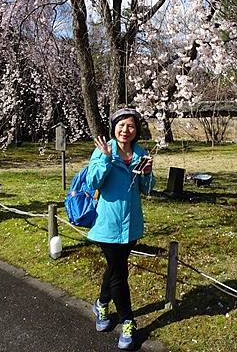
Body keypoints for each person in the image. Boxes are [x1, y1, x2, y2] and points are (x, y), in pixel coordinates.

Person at [86, 108, 154, 350]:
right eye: (121, 125)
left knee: (115, 269)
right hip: (108, 223)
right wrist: (104, 158)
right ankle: (128, 321)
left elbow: (147, 189)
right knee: (119, 274)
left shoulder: (140, 153)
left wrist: (147, 174)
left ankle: (102, 303)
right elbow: (92, 182)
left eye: (131, 126)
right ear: (114, 127)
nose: (126, 130)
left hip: (131, 224)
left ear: (137, 130)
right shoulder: (104, 150)